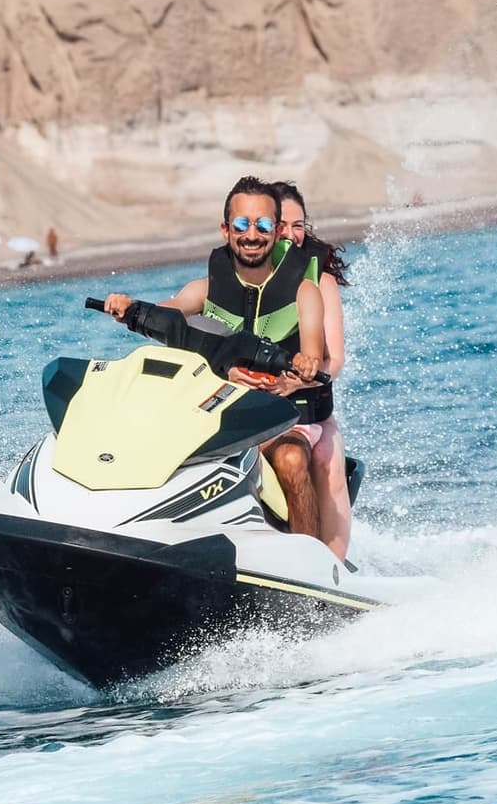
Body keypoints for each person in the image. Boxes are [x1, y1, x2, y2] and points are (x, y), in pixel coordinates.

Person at [102, 176, 329, 541]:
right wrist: (129, 307)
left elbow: (314, 354)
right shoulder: (203, 290)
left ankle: (309, 570)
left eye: (262, 225)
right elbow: (169, 311)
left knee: (291, 461)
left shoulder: (305, 292)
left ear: (275, 232)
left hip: (277, 418)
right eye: (241, 224)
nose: (251, 234)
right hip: (214, 409)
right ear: (226, 230)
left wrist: (304, 363)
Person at [272, 182, 352, 562]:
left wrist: (307, 376)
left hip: (311, 406)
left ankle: (332, 577)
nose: (290, 233)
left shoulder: (321, 281)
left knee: (328, 463)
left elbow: (334, 357)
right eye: (281, 224)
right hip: (260, 413)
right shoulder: (242, 283)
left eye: (298, 224)